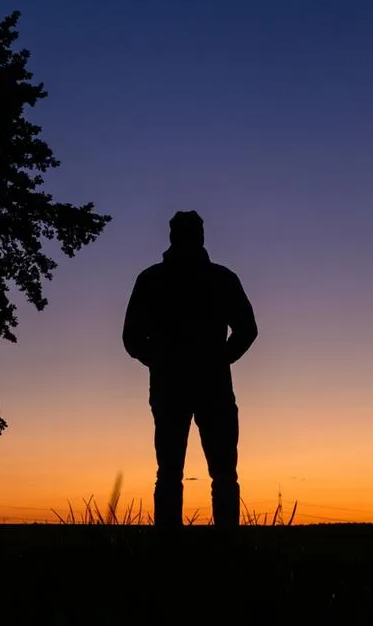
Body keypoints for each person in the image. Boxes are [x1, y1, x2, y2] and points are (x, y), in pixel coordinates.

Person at [122, 210, 257, 528]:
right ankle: (222, 547)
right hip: (203, 385)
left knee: (179, 472)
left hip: (185, 385)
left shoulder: (154, 279)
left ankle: (174, 549)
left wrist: (159, 360)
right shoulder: (219, 278)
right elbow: (132, 338)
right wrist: (219, 360)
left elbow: (132, 339)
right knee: (212, 472)